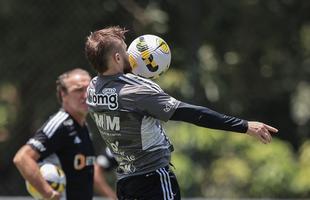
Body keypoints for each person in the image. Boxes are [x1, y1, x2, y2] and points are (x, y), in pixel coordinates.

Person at [84, 26, 278, 200]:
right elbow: (193, 114)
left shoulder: (92, 89)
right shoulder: (137, 91)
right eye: (126, 50)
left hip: (125, 182)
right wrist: (244, 126)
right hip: (153, 181)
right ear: (117, 58)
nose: (130, 55)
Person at [13, 68, 117, 200]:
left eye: (89, 89)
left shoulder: (83, 125)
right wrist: (48, 193)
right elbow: (22, 158)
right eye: (79, 90)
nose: (86, 95)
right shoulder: (60, 124)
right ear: (63, 94)